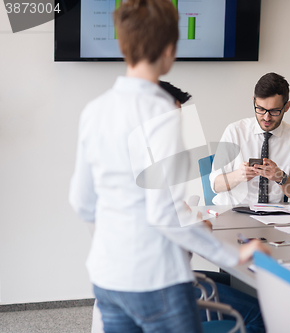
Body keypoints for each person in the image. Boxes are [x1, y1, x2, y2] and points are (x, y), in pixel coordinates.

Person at [68, 1, 269, 332]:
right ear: (170, 49)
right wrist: (234, 257)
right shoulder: (162, 113)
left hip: (108, 278)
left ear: (121, 43)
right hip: (156, 280)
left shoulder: (95, 110)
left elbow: (81, 201)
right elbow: (166, 215)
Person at [209, 72, 290, 205]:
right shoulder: (234, 131)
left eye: (274, 111)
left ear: (286, 107)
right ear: (254, 102)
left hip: (273, 214)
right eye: (261, 109)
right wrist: (238, 176)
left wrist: (281, 177)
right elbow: (216, 185)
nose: (266, 117)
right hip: (232, 211)